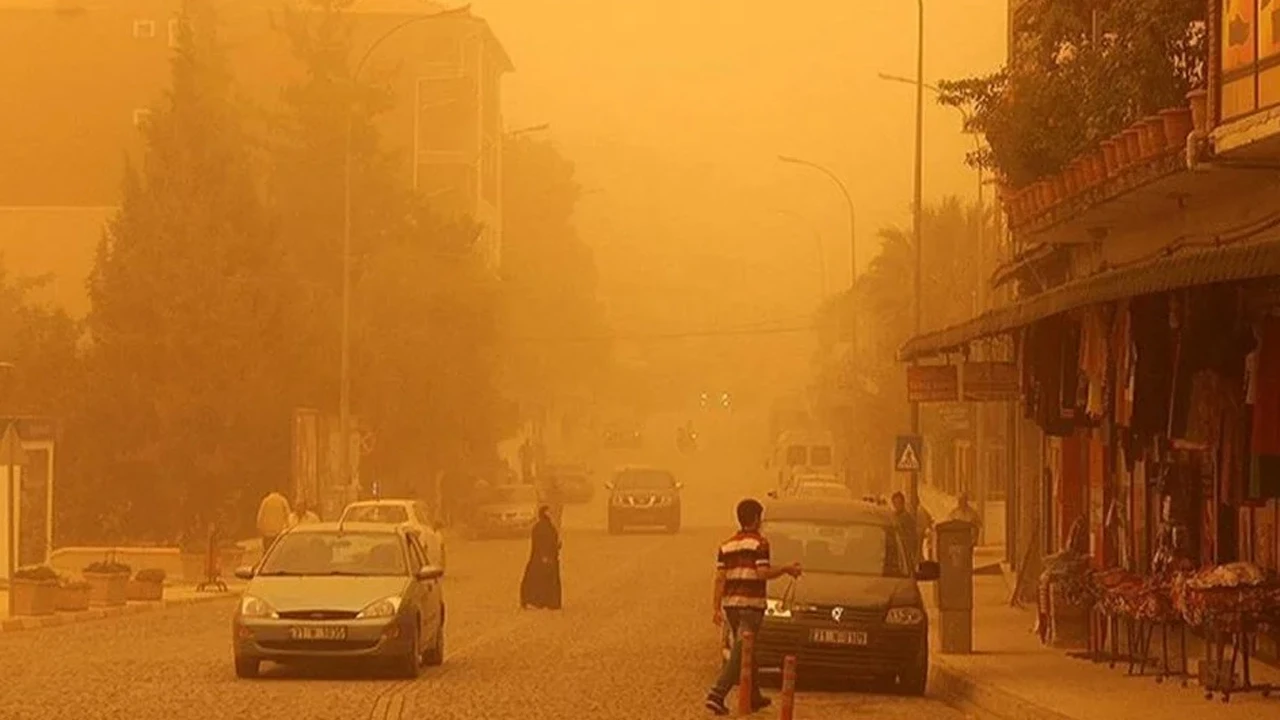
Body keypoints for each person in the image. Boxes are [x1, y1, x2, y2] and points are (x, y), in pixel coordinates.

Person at [704, 498, 802, 716]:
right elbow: (762, 573)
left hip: (731, 606)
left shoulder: (726, 545)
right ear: (757, 519)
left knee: (748, 650)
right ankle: (717, 694)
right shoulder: (760, 543)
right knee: (741, 651)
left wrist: (715, 608)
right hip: (751, 605)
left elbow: (720, 578)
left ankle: (754, 696)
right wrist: (786, 569)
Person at [519, 506, 562, 610]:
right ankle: (540, 601)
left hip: (545, 557)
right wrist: (545, 555)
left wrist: (556, 546)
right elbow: (541, 543)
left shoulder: (545, 526)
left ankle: (545, 601)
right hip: (543, 558)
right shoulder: (542, 527)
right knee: (541, 580)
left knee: (542, 579)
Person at [890, 492, 920, 569]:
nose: (897, 505)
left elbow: (913, 539)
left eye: (899, 503)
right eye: (895, 503)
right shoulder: (892, 517)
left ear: (903, 503)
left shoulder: (907, 519)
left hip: (905, 556)